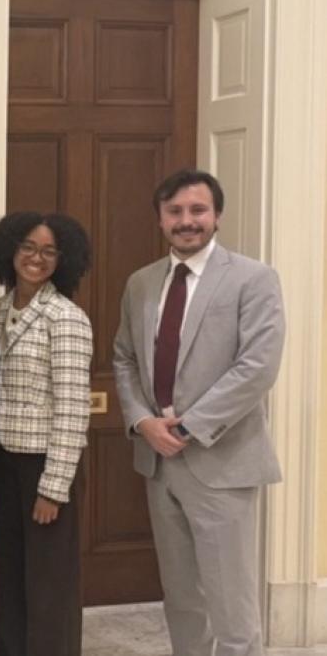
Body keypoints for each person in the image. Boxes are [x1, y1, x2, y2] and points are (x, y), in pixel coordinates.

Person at [113, 169, 284, 656]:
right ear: (160, 219)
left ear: (217, 216)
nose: (186, 221)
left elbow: (257, 367)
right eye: (175, 211)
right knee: (182, 596)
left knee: (231, 601)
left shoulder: (253, 278)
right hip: (158, 461)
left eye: (198, 210)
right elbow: (124, 358)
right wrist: (143, 422)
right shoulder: (141, 283)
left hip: (222, 460)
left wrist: (188, 427)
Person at [0, 211, 93, 656]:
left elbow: (72, 408)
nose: (36, 258)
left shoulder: (66, 318)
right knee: (10, 580)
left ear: (63, 260)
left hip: (45, 467)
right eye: (28, 247)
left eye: (49, 251)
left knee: (49, 588)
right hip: (3, 463)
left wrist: (53, 489)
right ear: (10, 250)